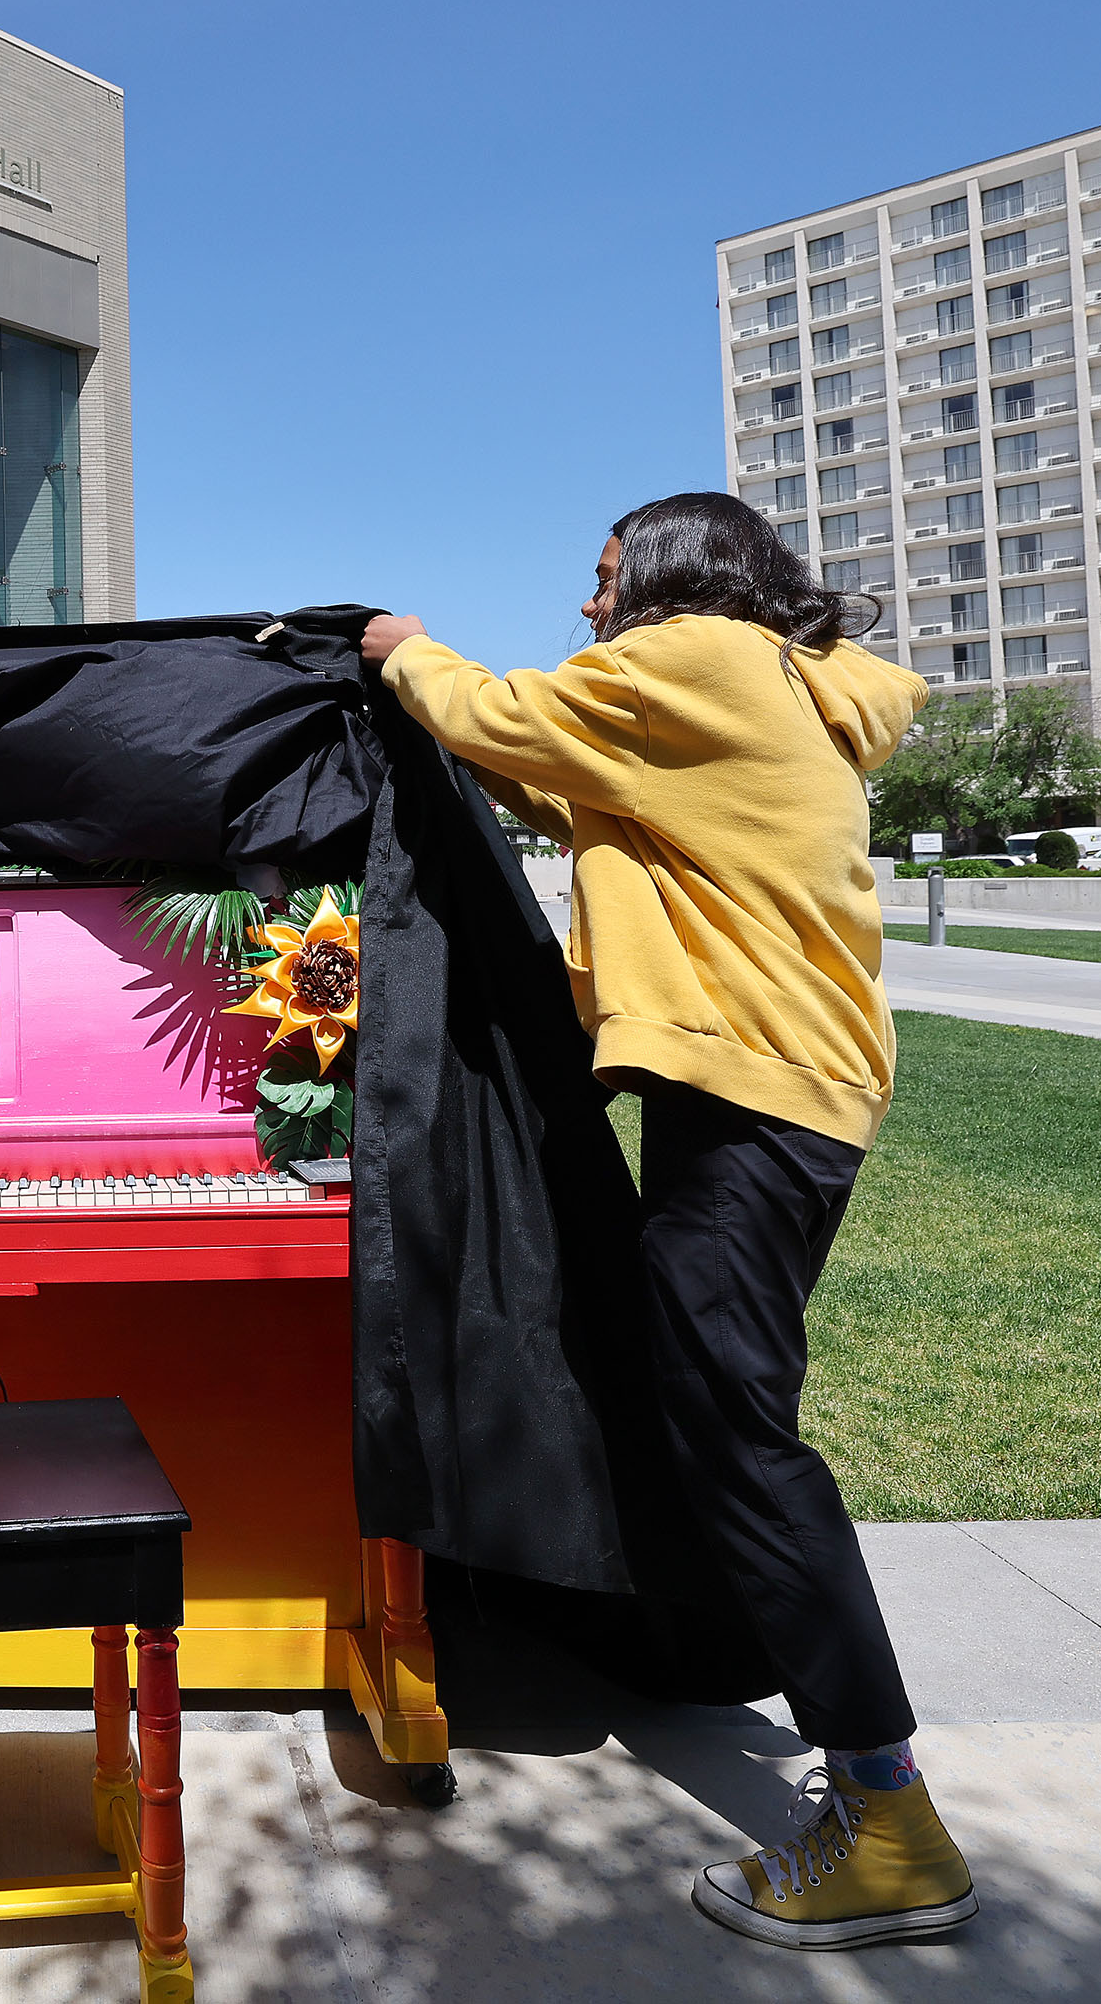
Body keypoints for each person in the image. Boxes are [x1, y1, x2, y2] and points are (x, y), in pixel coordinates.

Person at [357, 492, 976, 1951]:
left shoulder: (690, 656)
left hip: (752, 1099)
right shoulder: (776, 687)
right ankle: (774, 1701)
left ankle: (891, 1822)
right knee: (716, 1412)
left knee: (744, 1439)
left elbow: (498, 713)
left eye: (603, 576)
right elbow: (562, 787)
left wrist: (402, 648)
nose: (589, 605)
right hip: (789, 1092)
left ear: (679, 577)